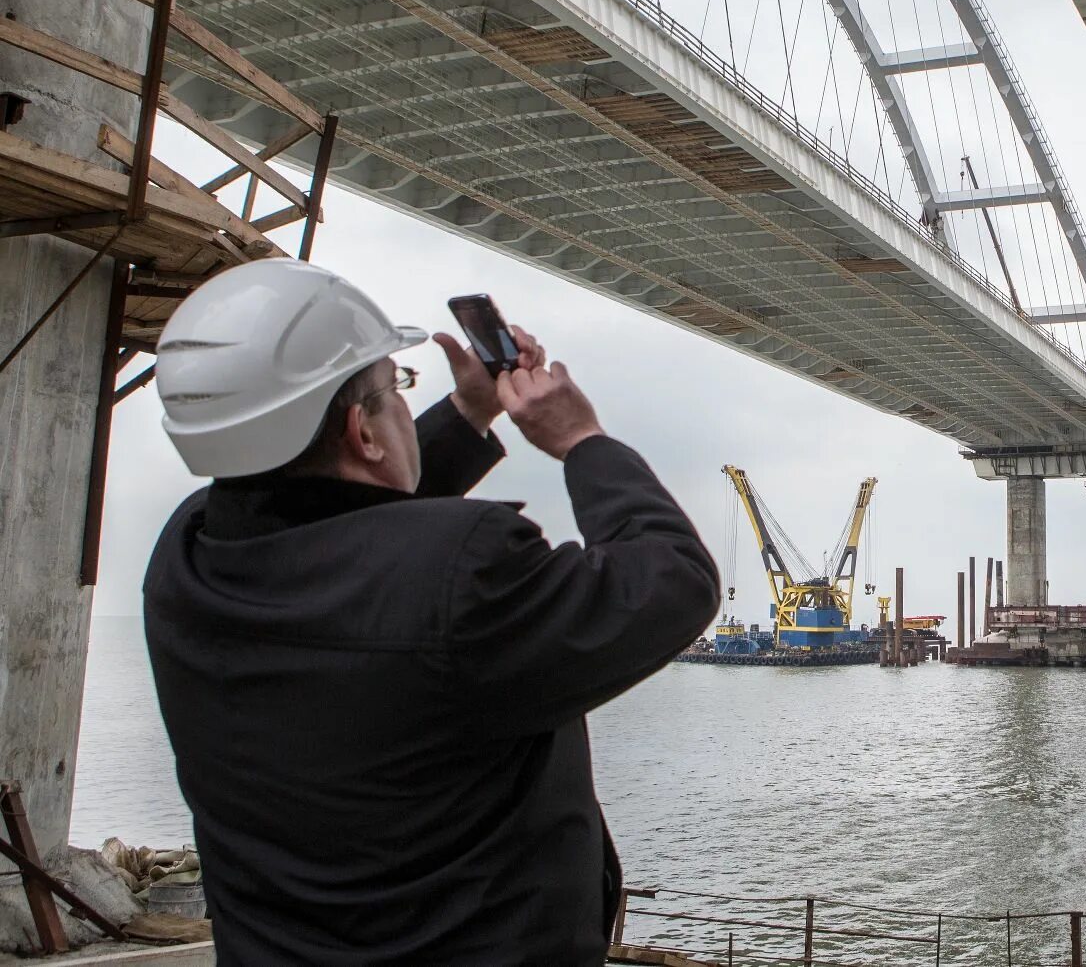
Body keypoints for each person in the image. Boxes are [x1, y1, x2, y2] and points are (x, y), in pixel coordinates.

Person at [143, 260, 720, 965]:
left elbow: (345, 536)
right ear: (363, 432)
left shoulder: (186, 560)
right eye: (397, 388)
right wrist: (582, 440)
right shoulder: (467, 575)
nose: (403, 404)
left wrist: (470, 414)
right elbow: (674, 581)